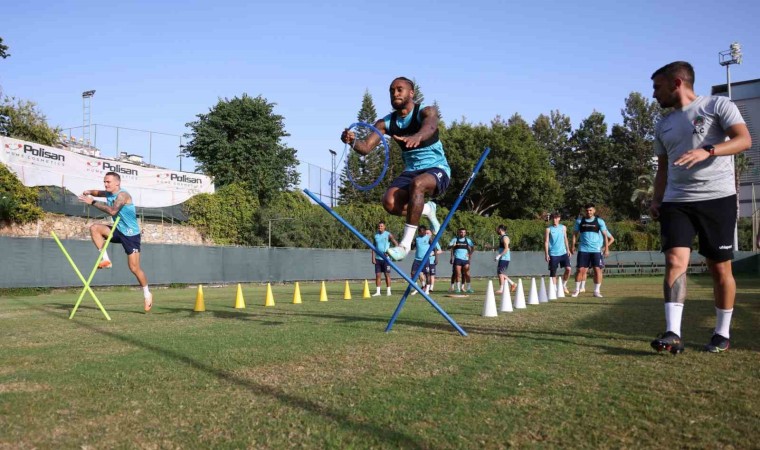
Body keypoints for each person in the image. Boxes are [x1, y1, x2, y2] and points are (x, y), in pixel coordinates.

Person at [648, 61, 751, 354]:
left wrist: (709, 150)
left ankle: (722, 333)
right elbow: (663, 169)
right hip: (676, 201)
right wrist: (657, 199)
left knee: (719, 268)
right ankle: (673, 333)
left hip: (717, 199)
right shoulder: (663, 125)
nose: (654, 94)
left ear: (677, 83)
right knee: (674, 261)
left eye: (657, 87)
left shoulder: (717, 106)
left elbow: (744, 140)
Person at [340, 77, 450, 261]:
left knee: (418, 183)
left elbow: (430, 126)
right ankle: (427, 209)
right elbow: (365, 147)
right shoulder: (385, 123)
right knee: (389, 203)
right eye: (392, 91)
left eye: (400, 89)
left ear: (411, 93)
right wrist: (352, 141)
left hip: (436, 168)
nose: (395, 93)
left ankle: (404, 246)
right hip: (411, 170)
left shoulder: (426, 111)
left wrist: (417, 136)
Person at [78, 171, 153, 312]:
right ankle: (105, 260)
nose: (105, 184)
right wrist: (89, 192)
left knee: (134, 268)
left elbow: (112, 211)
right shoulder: (108, 193)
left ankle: (147, 294)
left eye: (108, 182)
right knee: (94, 228)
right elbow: (98, 192)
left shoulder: (123, 195)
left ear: (117, 183)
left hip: (131, 235)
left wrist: (92, 201)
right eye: (104, 182)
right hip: (118, 230)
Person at [571, 203, 611, 298]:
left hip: (596, 250)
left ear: (594, 211)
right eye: (587, 210)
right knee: (580, 270)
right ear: (585, 211)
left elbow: (605, 236)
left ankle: (596, 291)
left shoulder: (599, 221)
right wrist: (572, 245)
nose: (589, 212)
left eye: (590, 210)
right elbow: (574, 234)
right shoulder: (579, 221)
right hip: (583, 250)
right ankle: (577, 290)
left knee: (597, 270)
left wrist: (606, 249)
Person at [544, 212, 572, 295]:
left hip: (563, 253)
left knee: (568, 269)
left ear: (559, 218)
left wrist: (568, 250)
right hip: (553, 254)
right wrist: (546, 254)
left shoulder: (563, 227)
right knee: (553, 272)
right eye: (553, 218)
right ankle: (555, 290)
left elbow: (565, 239)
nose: (554, 220)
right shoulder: (548, 229)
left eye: (556, 218)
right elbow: (546, 242)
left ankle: (564, 285)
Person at [371, 221, 398, 296]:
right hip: (378, 258)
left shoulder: (388, 235)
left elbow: (396, 244)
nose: (380, 227)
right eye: (379, 226)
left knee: (387, 274)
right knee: (378, 275)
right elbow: (373, 247)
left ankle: (388, 291)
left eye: (381, 226)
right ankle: (378, 292)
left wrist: (390, 252)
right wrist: (373, 258)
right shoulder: (376, 236)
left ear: (384, 227)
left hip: (386, 259)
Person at [449, 228, 475, 293]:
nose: (462, 233)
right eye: (461, 232)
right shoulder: (455, 239)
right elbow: (449, 247)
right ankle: (458, 289)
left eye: (464, 232)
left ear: (465, 233)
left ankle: (468, 288)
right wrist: (452, 246)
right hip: (457, 259)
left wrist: (469, 254)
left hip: (465, 260)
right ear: (458, 232)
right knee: (458, 274)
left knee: (467, 273)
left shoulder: (468, 240)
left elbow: (473, 248)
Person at [410, 225, 432, 295]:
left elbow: (434, 248)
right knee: (413, 273)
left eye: (422, 231)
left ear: (425, 231)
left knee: (427, 274)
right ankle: (417, 288)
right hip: (417, 259)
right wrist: (412, 243)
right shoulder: (417, 238)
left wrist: (436, 258)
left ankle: (427, 290)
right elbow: (412, 248)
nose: (421, 232)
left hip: (425, 259)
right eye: (419, 231)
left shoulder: (428, 238)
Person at [494, 225, 517, 294]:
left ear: (500, 230)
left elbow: (506, 249)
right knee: (500, 273)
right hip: (503, 258)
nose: (496, 231)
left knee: (500, 273)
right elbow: (501, 247)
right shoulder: (502, 237)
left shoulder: (505, 237)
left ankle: (502, 289)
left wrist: (499, 255)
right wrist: (491, 247)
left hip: (505, 258)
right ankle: (512, 284)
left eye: (497, 229)